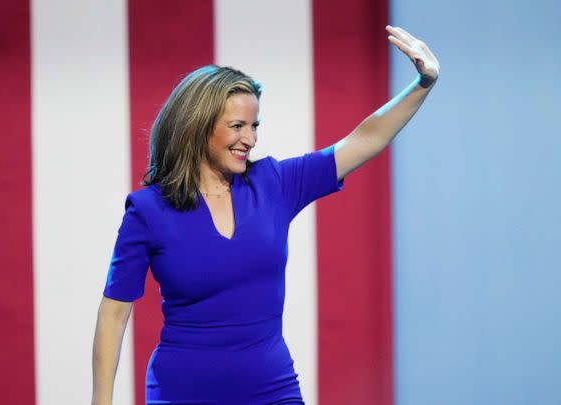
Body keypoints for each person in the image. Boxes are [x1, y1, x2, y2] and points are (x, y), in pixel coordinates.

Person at [91, 25, 439, 405]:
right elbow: (114, 314)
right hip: (183, 391)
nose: (250, 139)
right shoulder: (147, 210)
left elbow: (364, 139)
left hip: (271, 389)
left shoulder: (274, 182)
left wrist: (422, 84)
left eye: (254, 126)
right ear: (197, 127)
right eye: (237, 126)